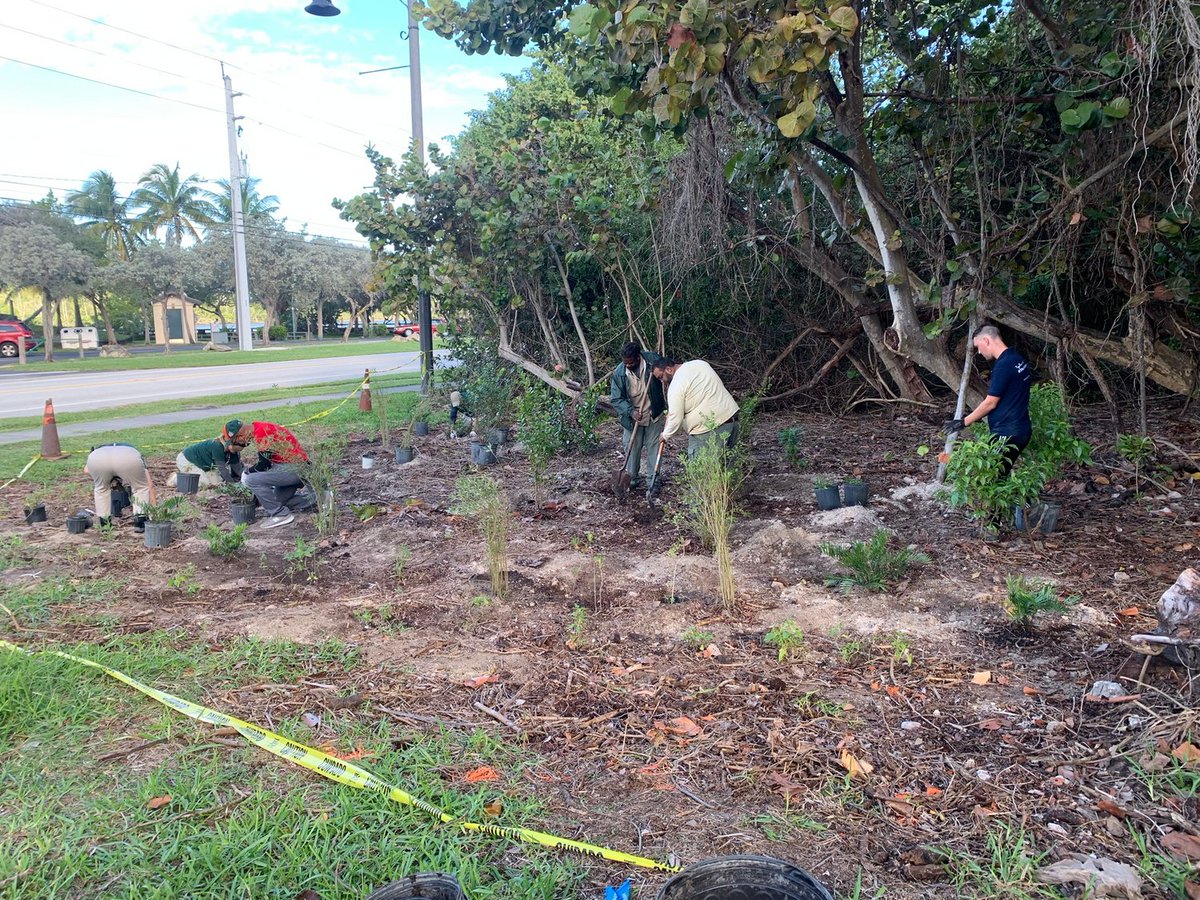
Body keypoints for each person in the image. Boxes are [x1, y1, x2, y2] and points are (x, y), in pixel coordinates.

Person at [945, 325, 1034, 478]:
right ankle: (1020, 501)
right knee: (1000, 475)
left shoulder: (1003, 365)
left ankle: (1019, 502)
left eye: (978, 347)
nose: (979, 352)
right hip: (1021, 428)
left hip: (1007, 432)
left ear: (986, 340)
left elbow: (990, 402)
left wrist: (963, 422)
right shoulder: (1017, 359)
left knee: (990, 477)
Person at [655, 358, 740, 458]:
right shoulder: (700, 364)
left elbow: (675, 419)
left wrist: (665, 435)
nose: (662, 382)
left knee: (700, 469)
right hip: (732, 418)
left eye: (661, 377)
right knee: (727, 467)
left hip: (708, 430)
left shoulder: (676, 385)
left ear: (669, 369)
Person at [609, 341, 666, 487]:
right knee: (632, 448)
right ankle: (631, 479)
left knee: (654, 447)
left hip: (654, 413)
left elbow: (667, 373)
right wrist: (631, 411)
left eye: (631, 363)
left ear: (638, 357)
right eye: (625, 363)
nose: (627, 365)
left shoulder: (652, 361)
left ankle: (653, 481)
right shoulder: (619, 373)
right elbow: (616, 399)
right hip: (632, 418)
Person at [241, 421, 310, 529]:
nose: (242, 442)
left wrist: (247, 472)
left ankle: (280, 514)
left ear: (242, 433)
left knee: (251, 480)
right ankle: (319, 498)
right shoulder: (260, 427)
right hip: (298, 467)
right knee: (279, 501)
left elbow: (264, 465)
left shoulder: (261, 432)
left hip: (293, 468)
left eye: (239, 439)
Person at [84, 442, 155, 527]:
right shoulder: (133, 451)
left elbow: (86, 470)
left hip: (97, 459)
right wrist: (154, 512)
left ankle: (105, 523)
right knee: (141, 487)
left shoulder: (97, 451)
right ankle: (140, 521)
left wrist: (107, 478)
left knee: (101, 489)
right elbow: (149, 485)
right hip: (128, 458)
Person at [167, 419, 249, 489]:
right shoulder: (217, 446)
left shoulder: (233, 451)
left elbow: (237, 469)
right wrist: (233, 485)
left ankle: (202, 474)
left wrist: (248, 476)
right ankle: (176, 478)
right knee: (203, 483)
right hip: (187, 460)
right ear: (231, 442)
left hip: (206, 466)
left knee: (218, 482)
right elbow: (222, 469)